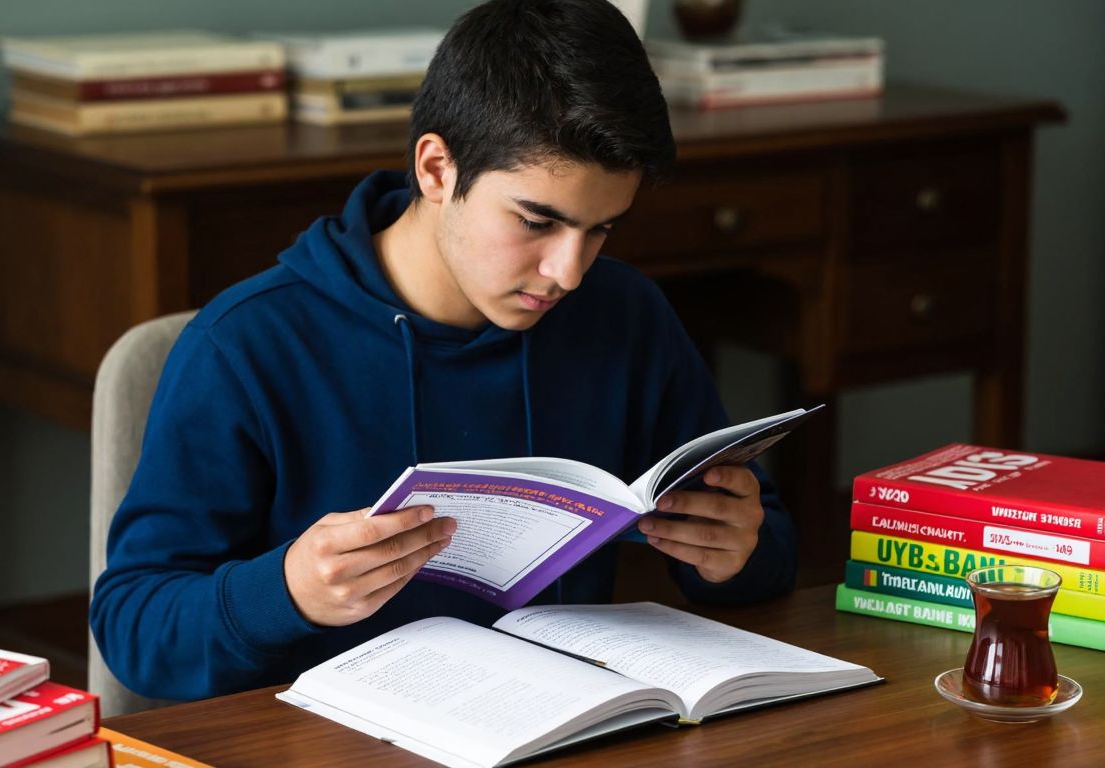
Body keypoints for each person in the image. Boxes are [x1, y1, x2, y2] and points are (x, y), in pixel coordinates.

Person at [90, 0, 796, 702]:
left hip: (564, 725)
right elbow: (133, 626)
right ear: (435, 169)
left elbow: (768, 552)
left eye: (602, 229)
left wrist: (735, 554)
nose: (568, 272)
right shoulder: (245, 347)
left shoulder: (625, 316)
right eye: (536, 221)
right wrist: (287, 591)